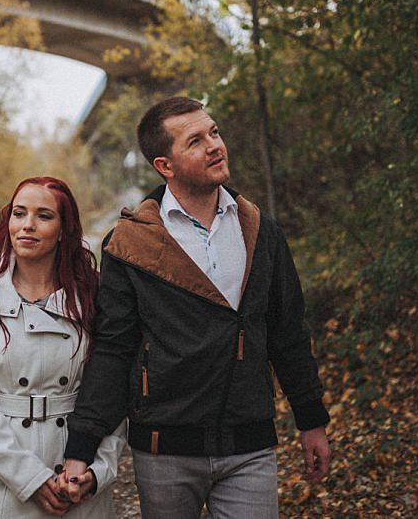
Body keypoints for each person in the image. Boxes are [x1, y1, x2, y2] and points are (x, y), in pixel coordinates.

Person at [61, 98, 331, 518]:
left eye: (215, 132)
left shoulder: (261, 231)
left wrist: (310, 418)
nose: (214, 145)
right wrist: (81, 447)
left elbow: (288, 332)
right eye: (195, 141)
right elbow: (114, 350)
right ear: (165, 165)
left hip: (251, 445)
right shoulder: (130, 244)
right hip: (165, 448)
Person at [0, 176, 126, 518]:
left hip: (74, 468)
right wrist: (29, 478)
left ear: (64, 229)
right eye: (19, 213)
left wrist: (97, 471)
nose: (27, 225)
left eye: (43, 216)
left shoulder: (92, 296)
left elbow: (109, 386)